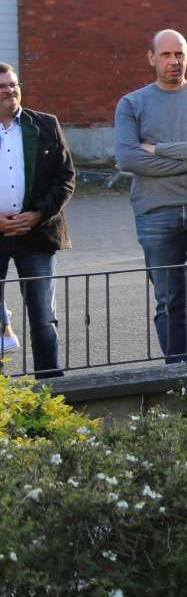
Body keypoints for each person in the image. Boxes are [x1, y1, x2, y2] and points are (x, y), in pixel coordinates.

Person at [113, 29, 187, 363]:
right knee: (168, 300)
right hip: (155, 211)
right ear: (151, 58)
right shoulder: (132, 104)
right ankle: (178, 373)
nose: (173, 61)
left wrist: (158, 150)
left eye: (179, 54)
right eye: (165, 55)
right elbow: (129, 159)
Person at [0, 63, 72, 377]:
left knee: (43, 317)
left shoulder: (44, 125)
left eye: (13, 84)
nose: (10, 90)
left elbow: (66, 178)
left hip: (37, 233)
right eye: (2, 86)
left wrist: (38, 213)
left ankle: (52, 389)